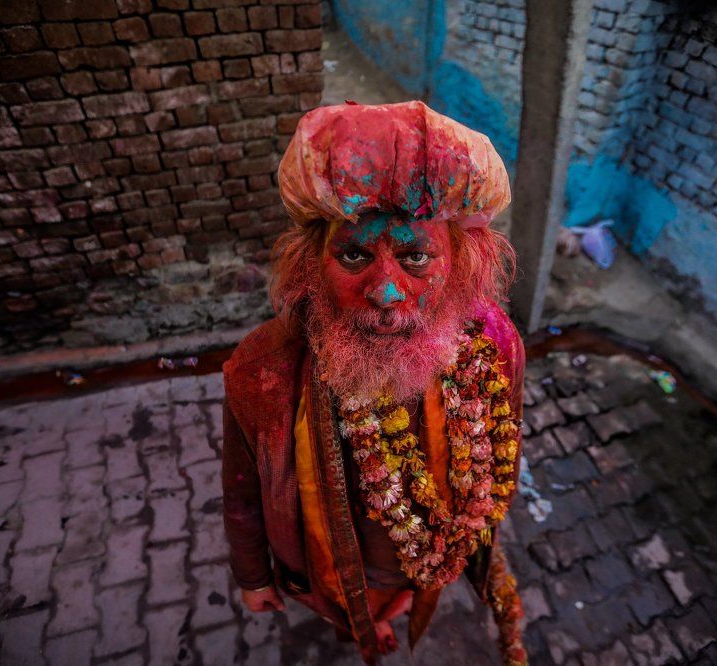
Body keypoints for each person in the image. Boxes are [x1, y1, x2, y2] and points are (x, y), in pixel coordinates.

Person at [222, 100, 527, 665]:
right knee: (350, 608)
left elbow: (500, 447)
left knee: (409, 587)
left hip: (423, 554)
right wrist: (252, 574)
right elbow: (241, 490)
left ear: (461, 263)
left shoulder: (494, 341)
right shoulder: (261, 368)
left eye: (415, 257)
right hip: (330, 566)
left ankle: (394, 611)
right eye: (355, 254)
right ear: (311, 264)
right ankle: (360, 628)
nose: (385, 290)